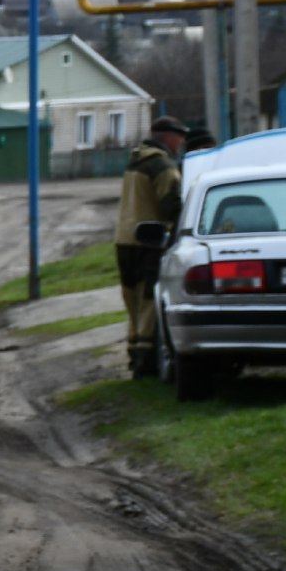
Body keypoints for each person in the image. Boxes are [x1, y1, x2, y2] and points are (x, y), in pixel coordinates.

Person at [116, 115, 189, 376]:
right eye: (180, 137)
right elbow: (172, 206)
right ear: (167, 137)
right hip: (149, 240)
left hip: (124, 240)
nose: (182, 142)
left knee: (133, 300)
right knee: (149, 301)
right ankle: (145, 362)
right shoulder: (162, 165)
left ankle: (134, 353)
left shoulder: (135, 160)